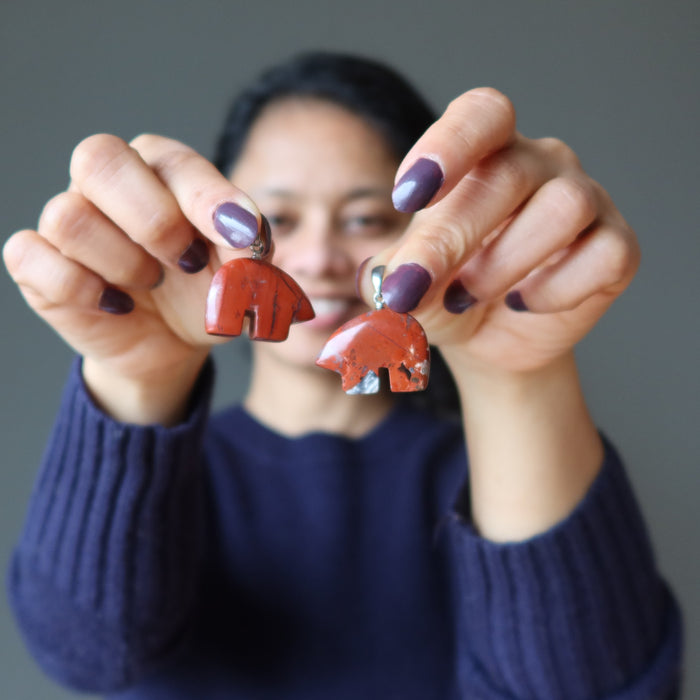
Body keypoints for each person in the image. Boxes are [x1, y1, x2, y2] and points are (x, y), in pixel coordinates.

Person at [3, 52, 682, 699]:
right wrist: (135, 375)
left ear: (429, 230)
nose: (321, 257)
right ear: (207, 237)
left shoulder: (481, 478)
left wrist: (517, 377)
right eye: (278, 222)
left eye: (364, 218)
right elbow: (85, 654)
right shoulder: (172, 471)